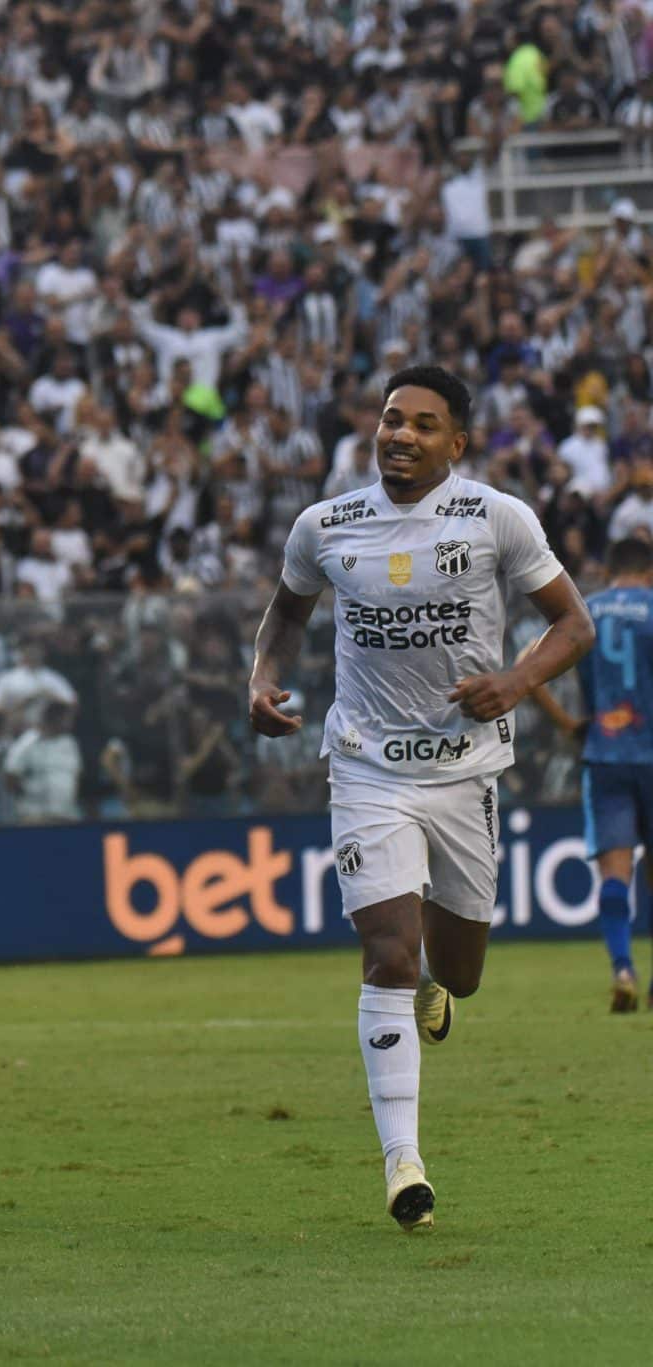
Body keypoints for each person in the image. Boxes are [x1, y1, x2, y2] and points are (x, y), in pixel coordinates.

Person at [249, 365, 593, 1232]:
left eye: (424, 424)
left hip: (465, 769)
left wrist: (515, 682)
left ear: (457, 443)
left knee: (459, 974)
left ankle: (438, 988)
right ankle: (403, 1163)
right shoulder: (326, 525)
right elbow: (288, 612)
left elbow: (572, 623)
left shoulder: (496, 518)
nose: (400, 434)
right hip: (365, 765)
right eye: (392, 419)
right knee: (387, 957)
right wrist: (262, 677)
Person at [530, 537, 653, 1011]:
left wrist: (567, 724)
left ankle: (623, 968)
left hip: (605, 754)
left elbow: (527, 666)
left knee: (614, 872)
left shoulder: (589, 611)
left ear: (608, 572)